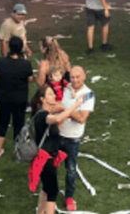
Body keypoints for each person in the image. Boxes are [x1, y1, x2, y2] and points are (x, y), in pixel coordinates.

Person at [31, 85, 86, 214]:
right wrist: (75, 106)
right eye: (50, 94)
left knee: (46, 188)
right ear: (42, 99)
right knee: (53, 192)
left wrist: (64, 112)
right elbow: (56, 119)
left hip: (49, 156)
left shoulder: (47, 113)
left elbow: (57, 126)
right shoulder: (42, 115)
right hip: (46, 159)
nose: (54, 96)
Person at [58, 66, 95, 212]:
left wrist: (64, 110)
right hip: (58, 134)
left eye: (78, 77)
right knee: (50, 166)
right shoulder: (66, 88)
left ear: (84, 76)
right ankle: (48, 192)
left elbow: (81, 118)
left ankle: (69, 197)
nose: (75, 80)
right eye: (72, 77)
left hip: (73, 138)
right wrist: (73, 109)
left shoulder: (88, 94)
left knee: (71, 169)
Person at [0, 36, 34, 159]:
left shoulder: (1, 62)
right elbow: (31, 79)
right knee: (18, 124)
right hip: (20, 99)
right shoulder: (25, 64)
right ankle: (18, 151)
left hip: (3, 98)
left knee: (2, 123)